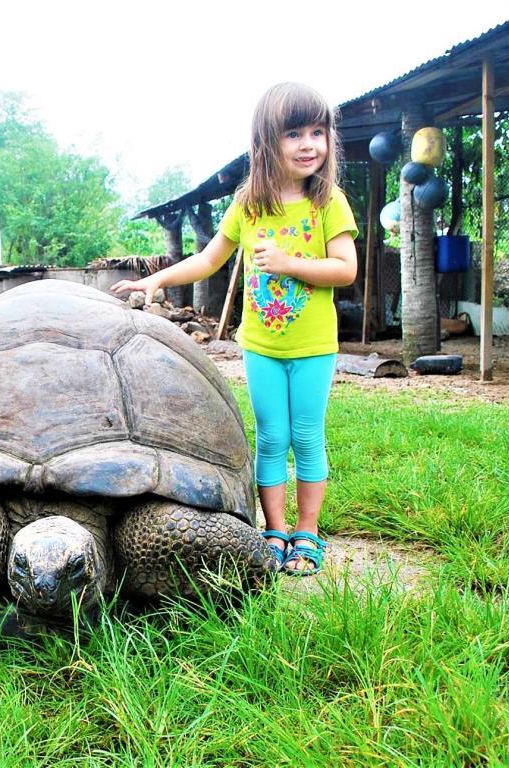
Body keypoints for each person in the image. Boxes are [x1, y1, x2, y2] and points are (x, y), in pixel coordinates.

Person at [111, 82, 358, 575]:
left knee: (307, 436)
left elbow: (345, 269)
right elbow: (208, 260)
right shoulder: (249, 205)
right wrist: (158, 278)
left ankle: (308, 533)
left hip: (313, 346)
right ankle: (275, 531)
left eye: (317, 132)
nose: (308, 144)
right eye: (294, 134)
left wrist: (288, 263)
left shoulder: (329, 203)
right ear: (267, 141)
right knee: (271, 437)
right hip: (262, 345)